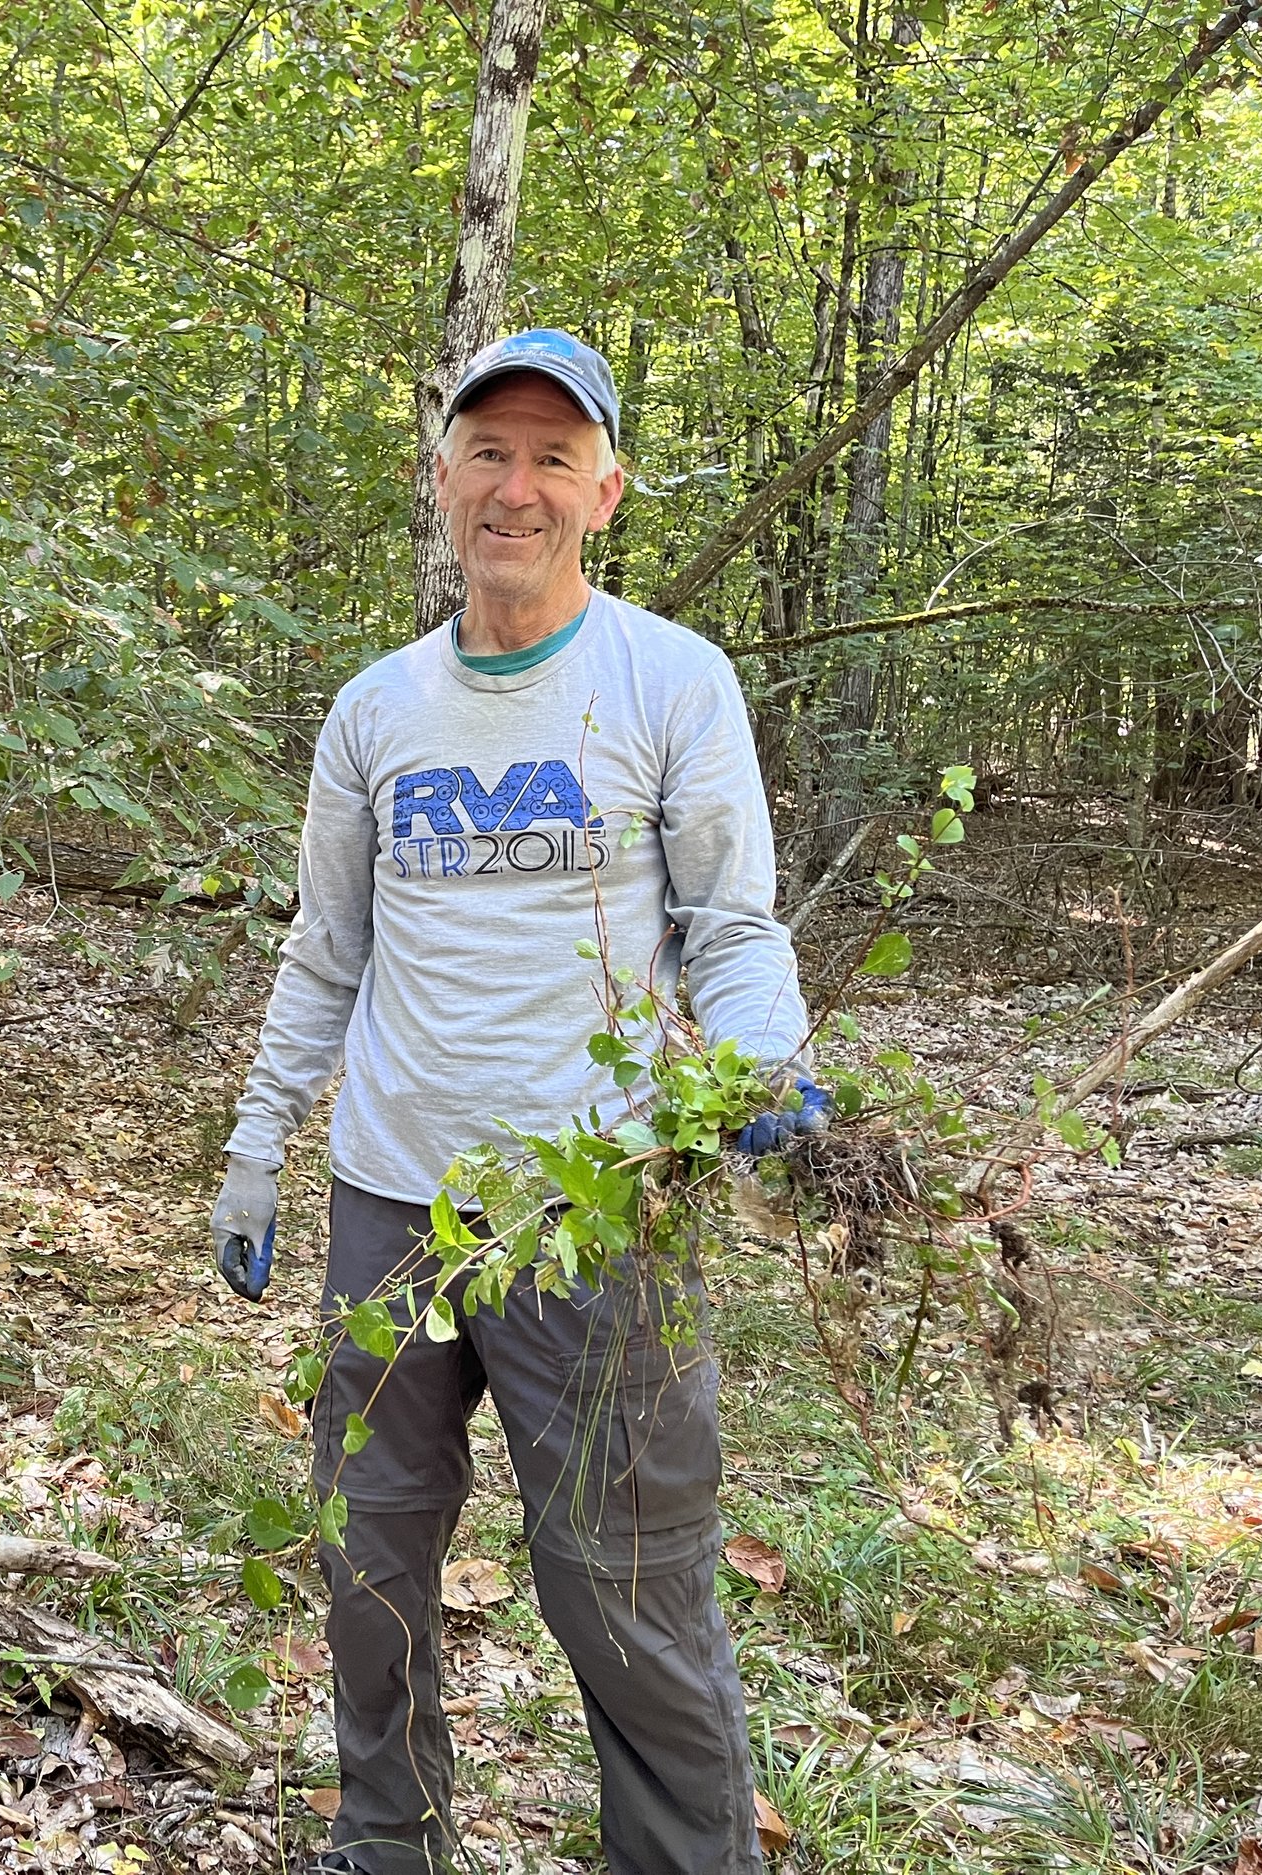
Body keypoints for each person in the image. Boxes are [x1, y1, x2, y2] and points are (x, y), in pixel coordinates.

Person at [208, 329, 827, 1875]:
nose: (518, 486)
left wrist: (760, 1060)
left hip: (596, 1211)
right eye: (490, 451)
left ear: (604, 490)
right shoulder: (375, 713)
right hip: (395, 1203)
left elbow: (732, 927)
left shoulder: (672, 681)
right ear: (441, 477)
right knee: (369, 1562)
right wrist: (254, 1145)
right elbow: (328, 946)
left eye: (555, 457)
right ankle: (388, 1844)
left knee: (627, 1581)